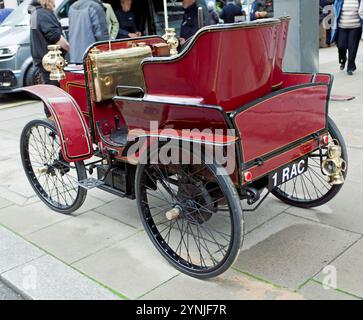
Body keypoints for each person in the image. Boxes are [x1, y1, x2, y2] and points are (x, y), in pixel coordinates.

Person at [68, 0, 109, 64]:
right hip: (92, 57)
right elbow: (102, 36)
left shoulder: (72, 7)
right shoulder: (95, 7)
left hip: (74, 57)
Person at [331, 0, 363, 75]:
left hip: (355, 27)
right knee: (341, 46)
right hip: (342, 27)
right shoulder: (339, 0)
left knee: (352, 48)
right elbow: (335, 11)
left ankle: (350, 67)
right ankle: (343, 59)